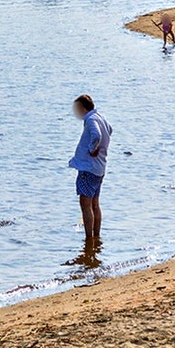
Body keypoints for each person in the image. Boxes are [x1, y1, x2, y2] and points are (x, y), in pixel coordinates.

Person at [70, 94, 111, 243]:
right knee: (94, 203)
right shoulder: (101, 117)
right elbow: (109, 130)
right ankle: (96, 236)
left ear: (82, 108)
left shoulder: (91, 119)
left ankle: (89, 239)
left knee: (85, 204)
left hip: (88, 168)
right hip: (99, 167)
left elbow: (96, 135)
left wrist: (92, 149)